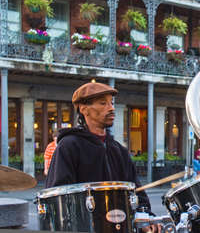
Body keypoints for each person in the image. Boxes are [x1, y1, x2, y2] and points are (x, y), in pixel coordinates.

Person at [46, 82, 160, 233]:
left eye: (111, 103)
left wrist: (145, 216)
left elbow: (137, 191)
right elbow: (58, 197)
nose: (111, 108)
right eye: (103, 103)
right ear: (83, 108)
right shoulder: (69, 146)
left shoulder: (119, 150)